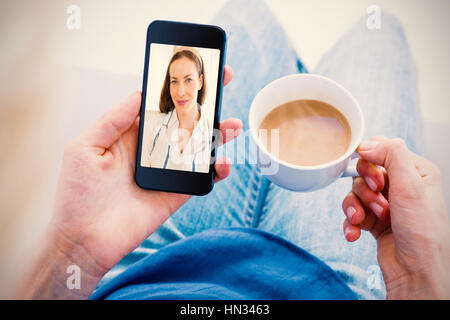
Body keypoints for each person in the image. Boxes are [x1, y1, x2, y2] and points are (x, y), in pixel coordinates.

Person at [18, 0, 450, 299]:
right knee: (378, 31)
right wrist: (417, 283)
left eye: (189, 81)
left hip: (146, 268)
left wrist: (71, 256)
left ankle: (295, 76)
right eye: (175, 82)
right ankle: (299, 74)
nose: (182, 89)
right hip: (332, 284)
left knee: (250, 14)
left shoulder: (81, 256)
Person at [141, 47, 212, 173]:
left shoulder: (213, 133)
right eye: (174, 81)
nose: (180, 92)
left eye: (188, 80)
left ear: (200, 81)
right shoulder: (150, 124)